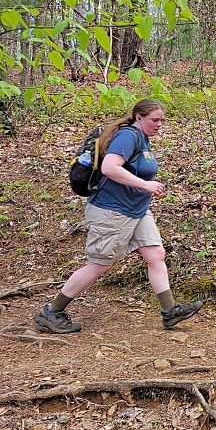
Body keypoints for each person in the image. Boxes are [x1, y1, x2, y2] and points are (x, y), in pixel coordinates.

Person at [35, 98, 203, 333]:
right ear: (139, 117)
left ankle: (169, 311)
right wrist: (145, 186)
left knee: (155, 254)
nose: (159, 124)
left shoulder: (142, 139)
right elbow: (110, 168)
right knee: (99, 265)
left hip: (136, 211)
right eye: (155, 119)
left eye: (162, 120)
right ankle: (52, 312)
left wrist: (144, 187)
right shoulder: (129, 136)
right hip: (112, 211)